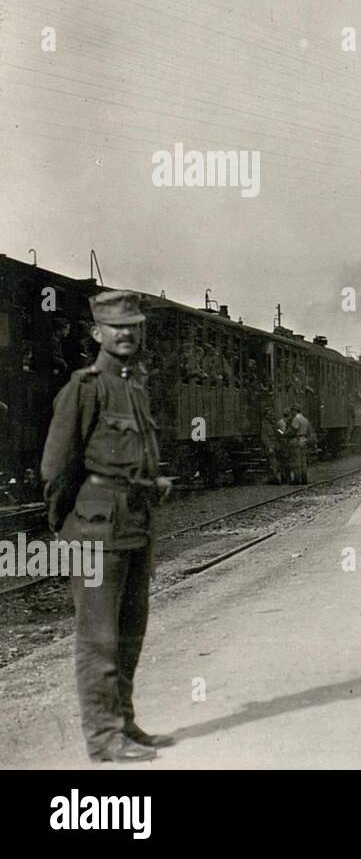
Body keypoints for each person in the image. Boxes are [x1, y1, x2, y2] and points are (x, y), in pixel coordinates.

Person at [39, 290, 175, 762]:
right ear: (97, 332)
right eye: (116, 327)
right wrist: (67, 528)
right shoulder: (86, 387)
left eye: (134, 326)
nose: (126, 334)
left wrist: (150, 481)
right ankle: (102, 738)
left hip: (135, 525)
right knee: (98, 637)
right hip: (96, 530)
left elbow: (129, 458)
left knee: (130, 633)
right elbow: (56, 469)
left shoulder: (133, 387)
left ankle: (125, 723)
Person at [289, 404, 314, 484]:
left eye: (292, 410)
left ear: (295, 411)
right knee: (303, 461)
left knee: (296, 461)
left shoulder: (296, 419)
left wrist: (282, 433)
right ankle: (304, 479)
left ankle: (297, 479)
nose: (291, 412)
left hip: (297, 440)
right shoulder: (305, 419)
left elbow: (293, 430)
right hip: (304, 440)